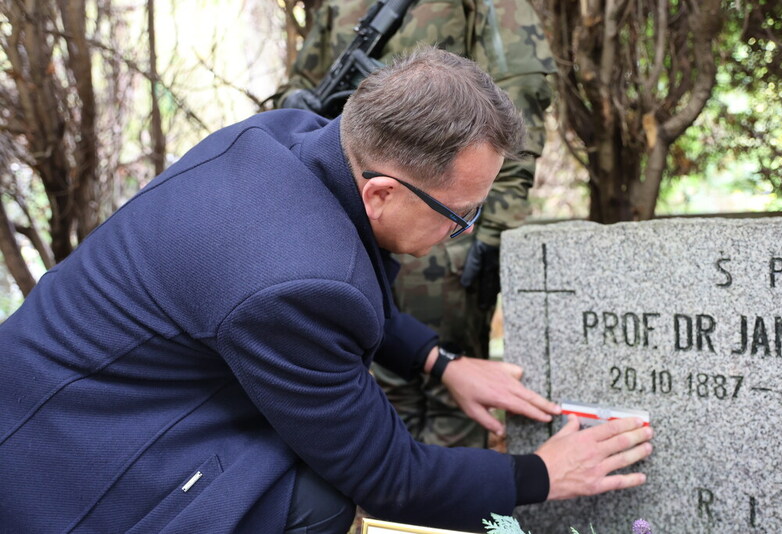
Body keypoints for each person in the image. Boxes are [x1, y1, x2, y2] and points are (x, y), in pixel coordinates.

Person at [0, 48, 652, 533]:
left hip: (72, 388)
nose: (465, 230)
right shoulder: (296, 277)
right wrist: (541, 475)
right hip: (66, 459)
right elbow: (386, 476)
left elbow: (340, 295)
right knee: (316, 503)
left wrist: (441, 364)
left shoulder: (285, 141)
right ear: (382, 193)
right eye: (461, 214)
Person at [274, 0, 555, 448]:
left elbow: (515, 111)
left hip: (447, 233)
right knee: (378, 389)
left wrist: (495, 227)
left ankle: (448, 509)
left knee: (455, 398)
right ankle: (394, 505)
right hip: (355, 221)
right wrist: (297, 101)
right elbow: (304, 79)